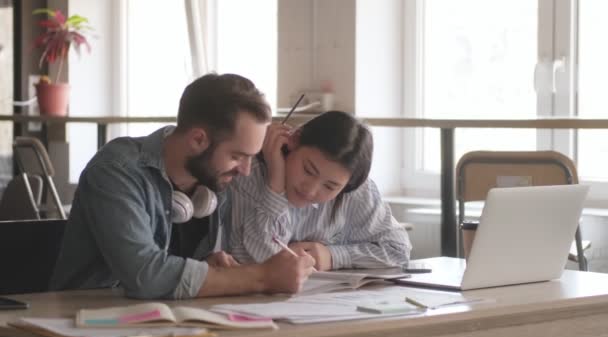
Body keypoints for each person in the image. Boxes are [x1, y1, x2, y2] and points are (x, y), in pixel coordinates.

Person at [50, 73, 315, 299]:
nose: (245, 171)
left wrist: (208, 269)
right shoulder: (117, 171)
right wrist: (263, 277)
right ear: (198, 139)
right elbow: (145, 275)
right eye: (237, 156)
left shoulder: (212, 181)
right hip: (85, 320)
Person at [228, 111, 412, 270]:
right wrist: (275, 182)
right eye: (308, 170)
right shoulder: (248, 173)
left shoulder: (355, 191)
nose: (310, 190)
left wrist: (332, 256)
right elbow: (254, 260)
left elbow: (398, 250)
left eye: (330, 186)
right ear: (294, 141)